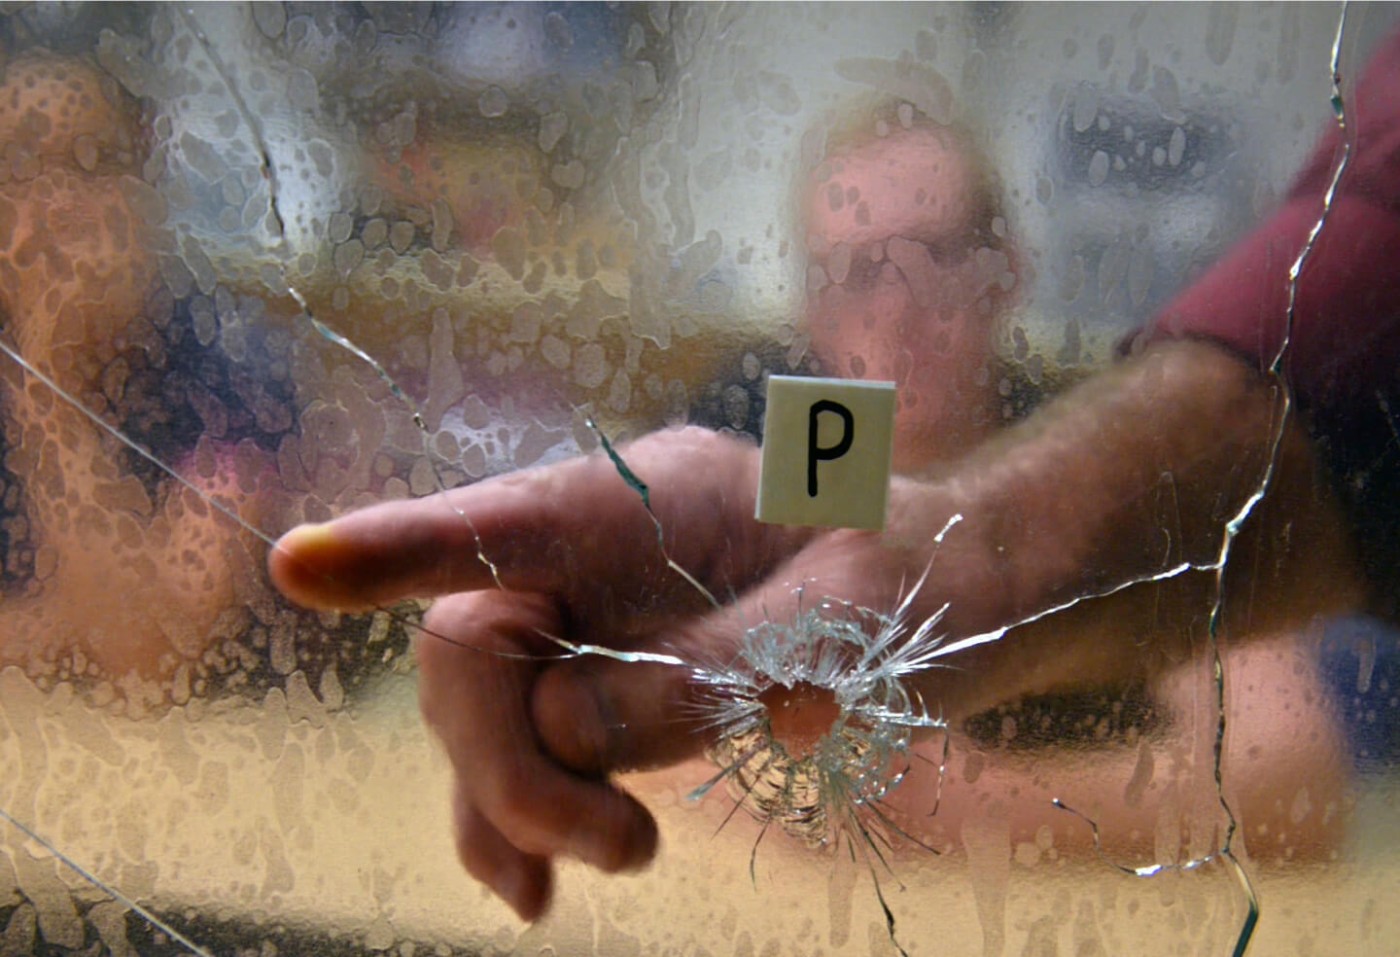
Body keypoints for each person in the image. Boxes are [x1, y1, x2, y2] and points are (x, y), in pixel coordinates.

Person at [269, 32, 1400, 922]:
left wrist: (957, 808)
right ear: (808, 304)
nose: (898, 309)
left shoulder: (1086, 442)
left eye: (937, 254)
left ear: (1008, 271)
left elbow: (1286, 779)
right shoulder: (756, 434)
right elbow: (610, 737)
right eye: (857, 271)